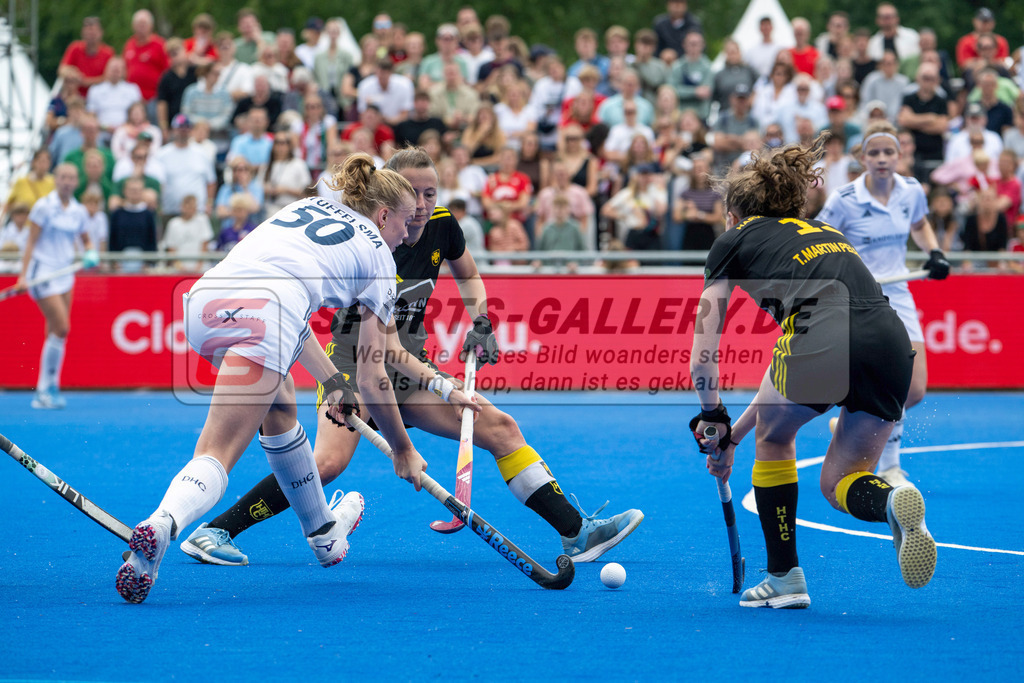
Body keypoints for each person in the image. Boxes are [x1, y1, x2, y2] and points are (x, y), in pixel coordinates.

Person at [178, 147, 642, 567]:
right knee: (327, 464)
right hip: (353, 368)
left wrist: (481, 319)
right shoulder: (373, 240)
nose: (421, 205)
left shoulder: (442, 225)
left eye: (430, 193)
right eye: (413, 194)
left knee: (501, 427)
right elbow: (381, 353)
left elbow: (468, 274)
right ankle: (216, 530)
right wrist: (442, 388)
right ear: (390, 199)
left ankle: (576, 532)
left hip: (408, 369)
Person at [115, 152, 474, 603]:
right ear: (383, 215)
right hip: (268, 314)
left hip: (205, 301)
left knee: (281, 405)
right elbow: (372, 375)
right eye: (403, 221)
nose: (406, 233)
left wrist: (333, 381)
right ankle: (162, 523)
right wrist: (403, 450)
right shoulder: (382, 260)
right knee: (217, 451)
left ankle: (323, 535)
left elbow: (290, 315)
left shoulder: (310, 206)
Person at [691, 132, 937, 610]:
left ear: (734, 214)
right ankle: (891, 501)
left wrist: (712, 416)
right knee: (840, 480)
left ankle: (784, 577)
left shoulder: (730, 242)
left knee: (775, 439)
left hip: (820, 339)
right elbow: (778, 379)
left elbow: (703, 354)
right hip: (891, 341)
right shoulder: (826, 233)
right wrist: (731, 435)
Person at [817, 121, 951, 488]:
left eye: (888, 152)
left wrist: (934, 251)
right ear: (862, 157)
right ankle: (890, 465)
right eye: (873, 153)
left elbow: (919, 224)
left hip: (899, 294)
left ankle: (850, 426)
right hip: (858, 298)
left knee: (914, 389)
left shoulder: (911, 191)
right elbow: (820, 239)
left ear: (899, 156)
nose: (881, 159)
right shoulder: (844, 198)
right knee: (876, 385)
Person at [12, 164, 100, 409]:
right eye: (63, 177)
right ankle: (44, 389)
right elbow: (30, 243)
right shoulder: (43, 207)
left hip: (65, 274)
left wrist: (90, 251)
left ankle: (48, 388)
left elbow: (85, 239)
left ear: (76, 182)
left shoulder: (78, 211)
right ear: (56, 180)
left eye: (71, 178)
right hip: (42, 273)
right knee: (62, 327)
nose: (67, 182)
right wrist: (22, 276)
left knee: (55, 332)